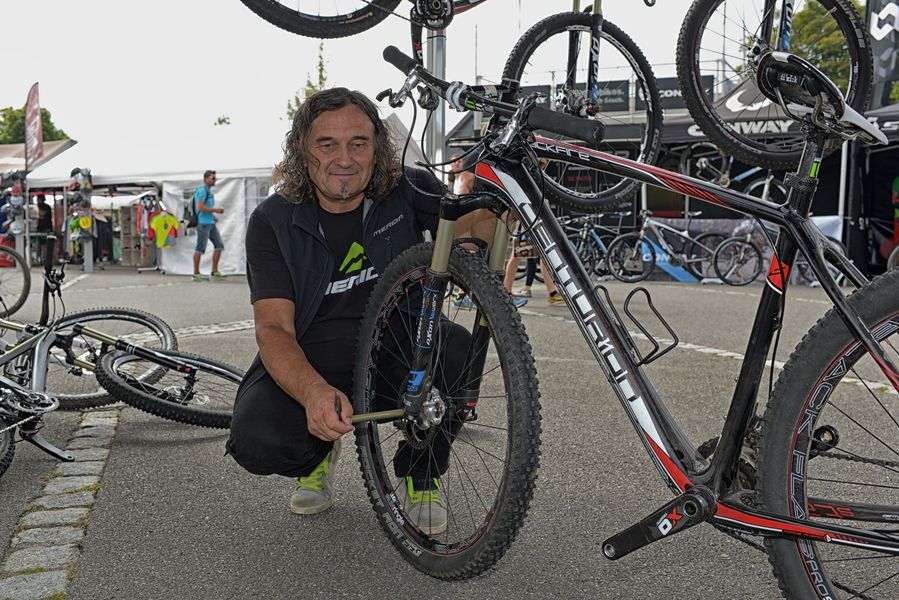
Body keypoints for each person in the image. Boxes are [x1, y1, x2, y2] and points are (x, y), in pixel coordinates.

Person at [226, 87, 479, 534]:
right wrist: (311, 393)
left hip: (402, 355)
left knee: (458, 348)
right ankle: (317, 454)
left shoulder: (409, 187)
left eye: (358, 143)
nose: (344, 158)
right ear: (302, 151)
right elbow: (273, 328)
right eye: (327, 144)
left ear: (377, 148)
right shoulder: (272, 220)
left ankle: (422, 471)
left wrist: (492, 200)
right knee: (257, 439)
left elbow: (471, 232)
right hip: (316, 360)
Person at [192, 169, 225, 281]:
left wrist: (213, 216)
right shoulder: (202, 191)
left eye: (215, 178)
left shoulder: (208, 191)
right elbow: (200, 207)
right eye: (213, 178)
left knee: (219, 245)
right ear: (205, 179)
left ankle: (214, 271)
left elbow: (205, 208)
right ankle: (196, 273)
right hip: (203, 224)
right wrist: (216, 210)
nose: (215, 180)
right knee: (200, 248)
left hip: (210, 223)